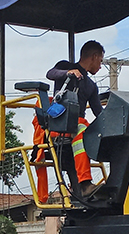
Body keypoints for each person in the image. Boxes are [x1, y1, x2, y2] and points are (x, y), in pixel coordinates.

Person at [46, 40, 107, 194]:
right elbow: (50, 74)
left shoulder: (91, 86)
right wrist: (68, 73)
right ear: (93, 57)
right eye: (100, 61)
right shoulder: (65, 67)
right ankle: (85, 183)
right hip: (59, 123)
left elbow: (98, 111)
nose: (100, 66)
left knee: (90, 131)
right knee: (83, 131)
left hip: (77, 125)